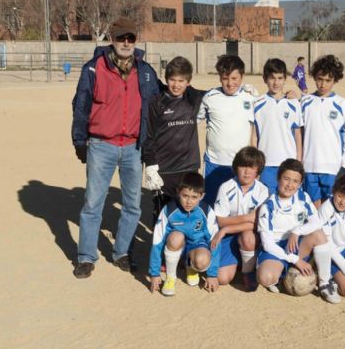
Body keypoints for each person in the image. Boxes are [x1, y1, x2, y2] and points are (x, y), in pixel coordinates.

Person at [71, 17, 159, 279]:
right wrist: (79, 141)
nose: (126, 43)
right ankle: (86, 257)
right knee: (93, 204)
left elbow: (165, 95)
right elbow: (80, 105)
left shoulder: (145, 71)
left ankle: (121, 252)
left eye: (131, 38)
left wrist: (201, 94)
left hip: (133, 147)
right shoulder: (94, 68)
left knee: (133, 205)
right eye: (122, 38)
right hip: (102, 145)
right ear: (112, 38)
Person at [256, 159, 339, 303]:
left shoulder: (303, 197)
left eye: (295, 181)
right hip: (276, 248)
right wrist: (296, 260)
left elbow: (316, 221)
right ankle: (284, 275)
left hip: (296, 244)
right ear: (278, 178)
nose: (290, 185)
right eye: (286, 179)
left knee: (318, 234)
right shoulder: (268, 206)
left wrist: (296, 231)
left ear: (300, 184)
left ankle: (325, 283)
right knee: (265, 278)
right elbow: (267, 244)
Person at [142, 56, 205, 225]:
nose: (176, 85)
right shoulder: (157, 102)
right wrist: (150, 164)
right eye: (172, 80)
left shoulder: (194, 99)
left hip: (189, 167)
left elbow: (218, 94)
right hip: (165, 170)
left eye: (181, 81)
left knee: (188, 214)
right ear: (166, 79)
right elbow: (148, 135)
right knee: (163, 216)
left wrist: (243, 90)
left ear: (188, 82)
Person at [148, 172, 221, 296]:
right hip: (176, 245)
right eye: (185, 196)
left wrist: (212, 274)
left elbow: (214, 240)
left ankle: (190, 265)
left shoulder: (206, 211)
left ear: (202, 196)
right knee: (176, 237)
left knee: (202, 261)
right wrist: (154, 273)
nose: (189, 201)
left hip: (197, 245)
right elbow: (157, 241)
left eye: (194, 197)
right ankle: (171, 277)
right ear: (178, 192)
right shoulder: (169, 210)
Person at [198, 55, 255, 206]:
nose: (230, 83)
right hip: (214, 163)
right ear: (219, 78)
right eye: (225, 78)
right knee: (210, 204)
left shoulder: (250, 98)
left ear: (242, 76)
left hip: (240, 165)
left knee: (236, 206)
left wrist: (289, 96)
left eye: (234, 78)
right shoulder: (210, 97)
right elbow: (193, 120)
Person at [212, 147, 269, 291]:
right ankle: (238, 259)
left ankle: (247, 271)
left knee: (248, 238)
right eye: (243, 166)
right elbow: (221, 221)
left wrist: (226, 228)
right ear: (236, 167)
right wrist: (248, 217)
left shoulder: (263, 190)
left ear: (258, 170)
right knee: (222, 279)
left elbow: (257, 224)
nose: (247, 171)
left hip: (247, 234)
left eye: (252, 167)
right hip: (228, 236)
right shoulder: (226, 187)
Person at [301, 55, 345, 207]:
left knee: (330, 206)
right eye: (319, 79)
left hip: (332, 165)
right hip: (309, 164)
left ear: (335, 80)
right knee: (313, 207)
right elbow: (299, 133)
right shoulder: (305, 102)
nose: (323, 84)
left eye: (328, 80)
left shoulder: (341, 104)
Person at [252, 58, 303, 193]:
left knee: (288, 200)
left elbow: (298, 135)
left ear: (285, 79)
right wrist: (255, 164)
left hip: (289, 165)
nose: (276, 83)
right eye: (272, 78)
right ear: (265, 79)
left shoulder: (293, 103)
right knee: (267, 201)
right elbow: (254, 136)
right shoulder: (257, 103)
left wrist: (298, 162)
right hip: (266, 165)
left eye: (280, 78)